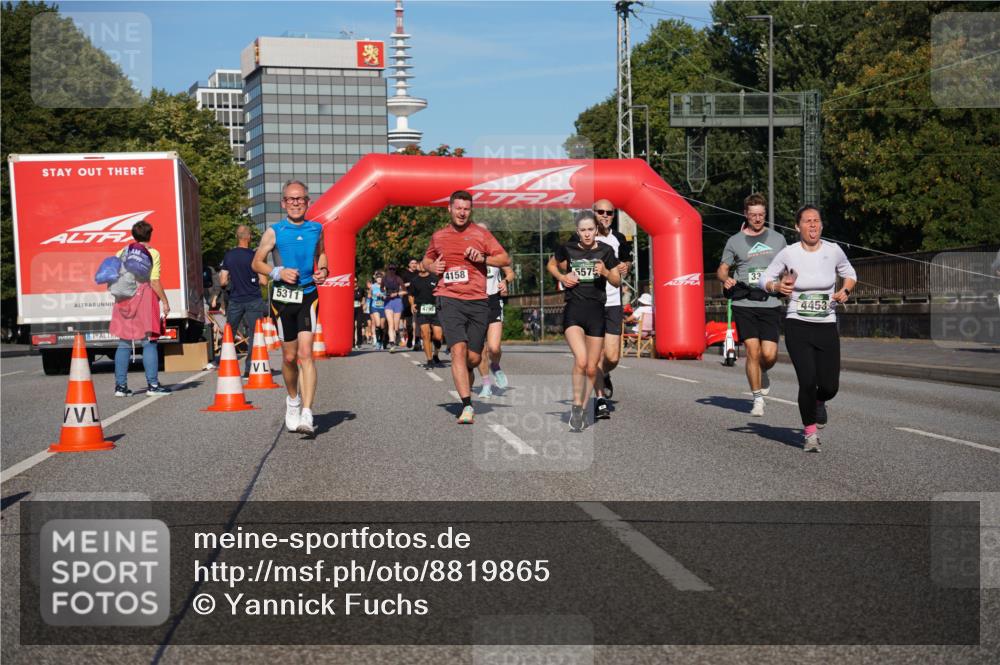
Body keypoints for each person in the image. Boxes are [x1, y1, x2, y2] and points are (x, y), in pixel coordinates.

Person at [761, 205, 856, 452]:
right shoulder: (788, 254)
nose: (813, 225)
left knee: (829, 385)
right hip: (797, 325)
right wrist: (776, 287)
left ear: (821, 225)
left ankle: (819, 401)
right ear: (797, 227)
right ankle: (810, 434)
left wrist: (845, 290)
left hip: (826, 325)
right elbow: (765, 278)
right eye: (807, 221)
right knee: (807, 379)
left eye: (816, 221)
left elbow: (850, 273)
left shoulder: (833, 251)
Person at [422, 190, 510, 424]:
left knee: (473, 358)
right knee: (458, 351)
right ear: (449, 209)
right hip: (448, 297)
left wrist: (483, 258)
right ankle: (467, 405)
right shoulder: (438, 236)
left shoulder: (481, 234)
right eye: (458, 208)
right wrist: (433, 268)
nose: (462, 212)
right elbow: (426, 260)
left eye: (466, 209)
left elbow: (505, 259)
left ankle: (470, 376)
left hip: (477, 301)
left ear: (471, 210)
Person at [252, 180, 328, 435]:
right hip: (283, 299)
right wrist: (278, 271)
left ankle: (307, 412)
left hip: (308, 295)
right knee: (289, 357)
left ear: (308, 202)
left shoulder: (317, 229)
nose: (296, 203)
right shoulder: (274, 231)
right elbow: (257, 263)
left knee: (306, 354)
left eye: (300, 199)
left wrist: (324, 270)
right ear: (283, 203)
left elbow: (322, 254)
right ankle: (293, 400)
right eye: (290, 199)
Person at [548, 210, 621, 430]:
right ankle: (577, 406)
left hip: (597, 312)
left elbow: (617, 281)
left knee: (591, 367)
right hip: (574, 311)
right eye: (583, 230)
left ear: (596, 230)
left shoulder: (606, 251)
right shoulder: (568, 249)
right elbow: (551, 264)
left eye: (591, 230)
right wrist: (563, 277)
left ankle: (581, 408)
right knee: (581, 360)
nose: (587, 234)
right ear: (577, 231)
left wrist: (606, 271)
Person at [717, 193, 788, 417]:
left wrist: (787, 281)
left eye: (761, 215)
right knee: (752, 351)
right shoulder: (734, 241)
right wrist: (724, 278)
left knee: (769, 354)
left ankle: (763, 371)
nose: (757, 219)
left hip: (771, 301)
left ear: (765, 215)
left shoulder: (778, 239)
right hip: (745, 302)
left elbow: (788, 267)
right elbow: (722, 268)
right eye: (753, 215)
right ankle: (757, 399)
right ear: (745, 215)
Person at [110, 220, 171, 396]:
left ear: (133, 235)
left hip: (123, 299)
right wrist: (165, 301)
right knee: (149, 342)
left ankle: (120, 387)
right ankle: (152, 385)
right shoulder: (152, 253)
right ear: (150, 235)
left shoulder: (122, 252)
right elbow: (154, 280)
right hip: (144, 298)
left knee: (123, 343)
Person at [585, 199, 632, 412]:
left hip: (613, 302)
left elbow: (626, 262)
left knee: (612, 356)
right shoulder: (583, 235)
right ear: (593, 213)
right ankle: (600, 399)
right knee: (594, 355)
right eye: (601, 212)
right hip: (589, 303)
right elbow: (563, 261)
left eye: (610, 213)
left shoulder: (619, 238)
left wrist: (625, 266)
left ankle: (603, 373)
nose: (605, 215)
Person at [220, 225, 268, 378]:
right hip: (253, 298)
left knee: (230, 332)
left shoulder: (229, 256)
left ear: (237, 237)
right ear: (249, 237)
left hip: (235, 300)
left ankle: (226, 366)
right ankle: (250, 369)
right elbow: (264, 281)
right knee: (255, 334)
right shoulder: (255, 256)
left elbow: (222, 280)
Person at [478, 263, 515, 398]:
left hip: (494, 301)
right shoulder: (468, 254)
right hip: (474, 302)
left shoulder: (495, 255)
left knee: (494, 348)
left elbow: (511, 273)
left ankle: (495, 366)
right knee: (480, 349)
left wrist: (505, 281)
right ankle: (486, 385)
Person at [408, 260, 444, 367]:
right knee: (425, 334)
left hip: (436, 309)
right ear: (418, 267)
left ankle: (436, 354)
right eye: (420, 264)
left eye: (425, 264)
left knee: (438, 336)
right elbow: (411, 295)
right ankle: (429, 360)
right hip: (421, 310)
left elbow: (442, 292)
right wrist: (412, 304)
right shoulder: (414, 281)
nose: (422, 266)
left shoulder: (435, 279)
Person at [382, 264, 405, 352]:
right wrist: (382, 293)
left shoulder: (398, 279)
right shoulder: (384, 279)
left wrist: (397, 293)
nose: (391, 270)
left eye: (393, 269)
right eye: (390, 269)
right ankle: (392, 344)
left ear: (395, 270)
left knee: (396, 326)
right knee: (390, 324)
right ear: (387, 270)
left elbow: (405, 291)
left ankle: (397, 334)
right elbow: (381, 289)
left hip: (397, 302)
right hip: (388, 302)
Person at [369, 271, 387, 350]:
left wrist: (383, 296)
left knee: (383, 326)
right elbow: (369, 295)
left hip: (383, 307)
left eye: (381, 278)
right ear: (376, 279)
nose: (379, 279)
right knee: (378, 324)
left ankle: (382, 341)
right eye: (378, 278)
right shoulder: (373, 286)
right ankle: (377, 342)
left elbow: (388, 296)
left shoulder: (385, 286)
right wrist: (374, 295)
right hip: (375, 307)